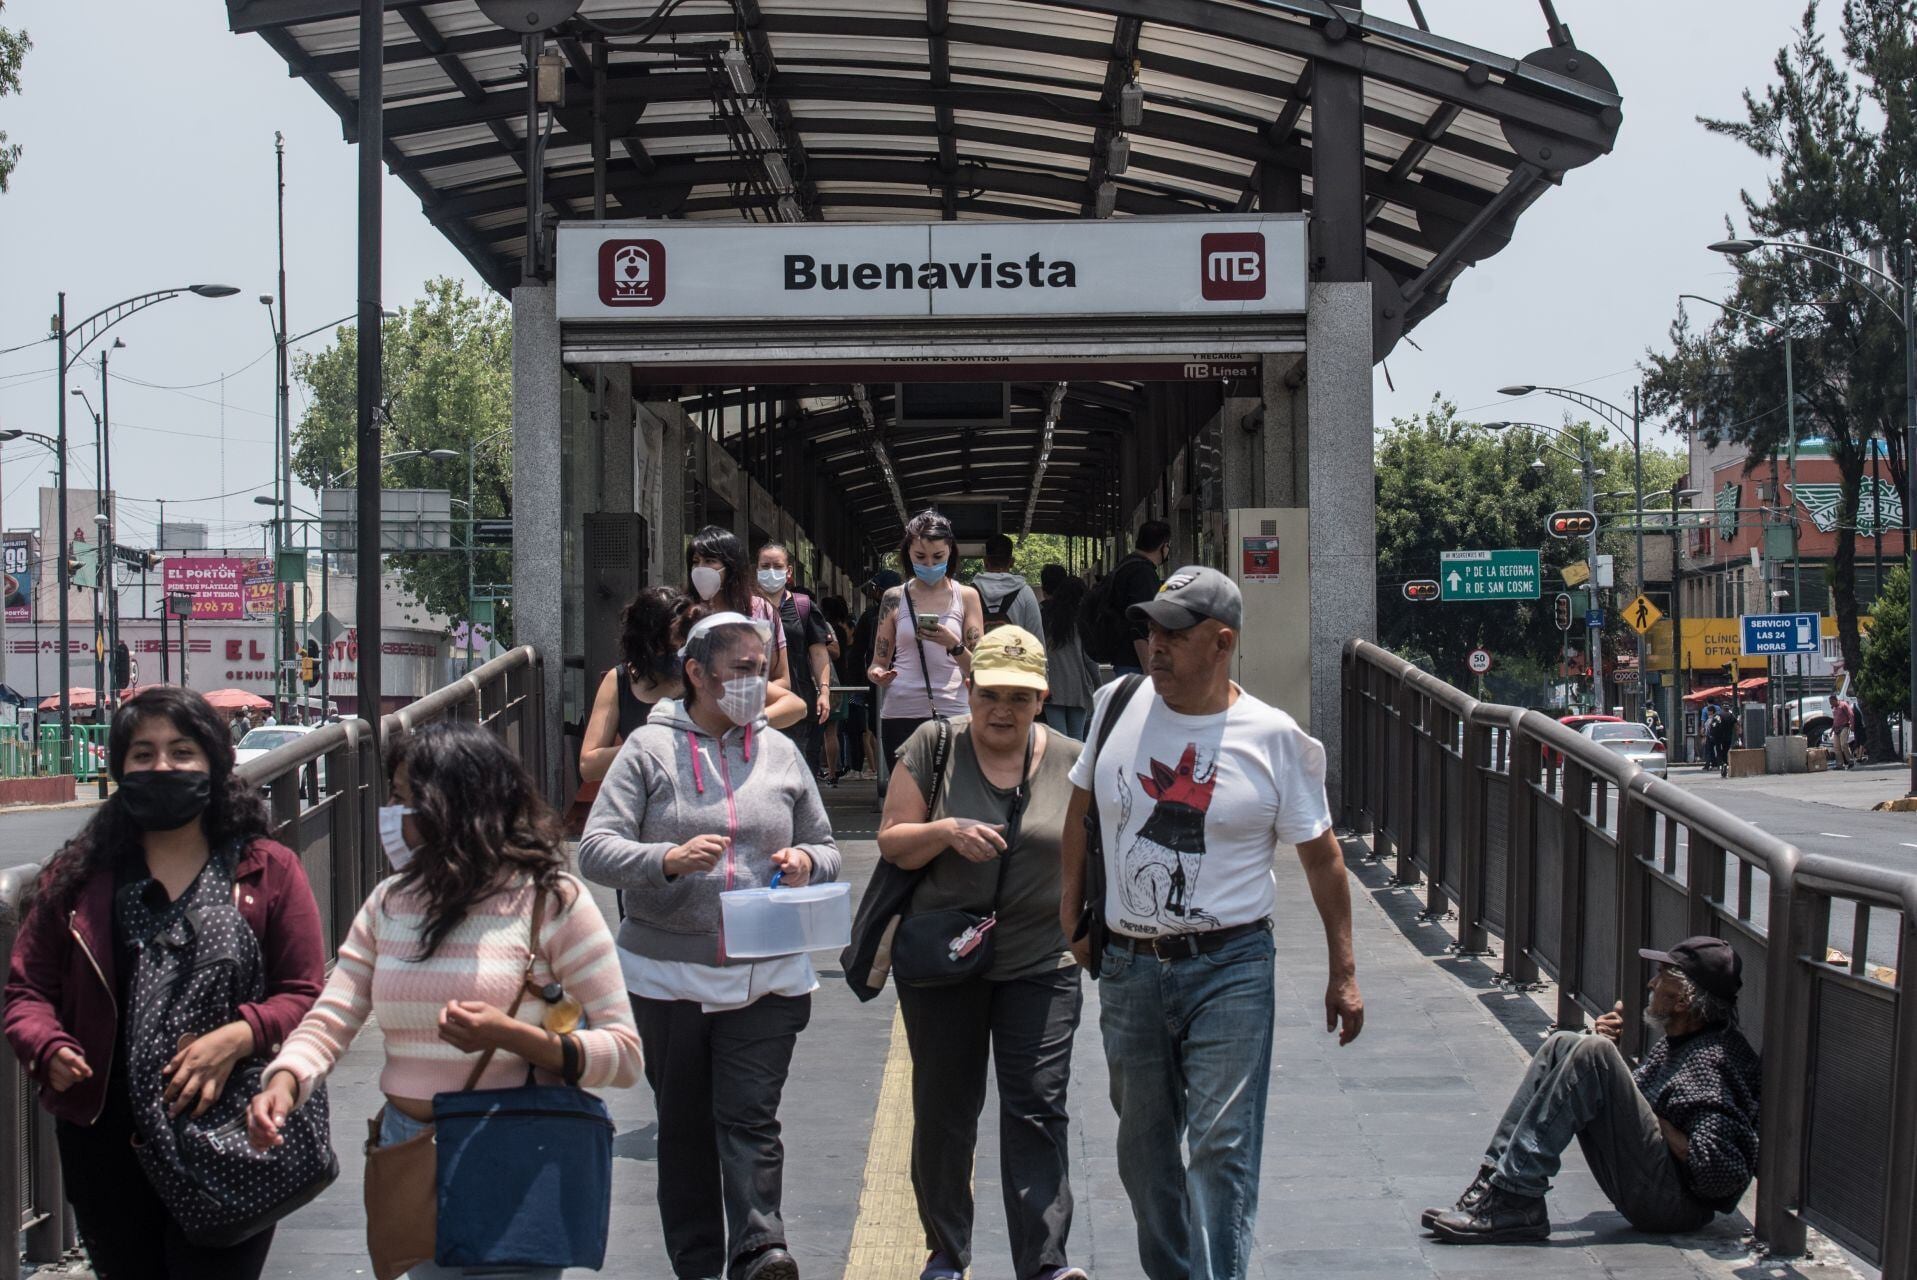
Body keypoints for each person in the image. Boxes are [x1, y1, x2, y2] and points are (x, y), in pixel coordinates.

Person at [247, 721, 643, 1280]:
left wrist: (512, 1037)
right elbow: (331, 1017)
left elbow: (624, 1056)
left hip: (511, 1148)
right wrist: (285, 1082)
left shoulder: (552, 903)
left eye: (408, 801)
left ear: (461, 806)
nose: (394, 816)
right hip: (408, 1151)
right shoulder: (391, 902)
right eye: (393, 798)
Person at [1059, 567, 1363, 1280]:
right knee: (1143, 1149)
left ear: (1221, 642)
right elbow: (1079, 814)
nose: (1153, 647)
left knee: (1223, 1145)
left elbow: (1322, 860)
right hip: (1129, 964)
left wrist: (1343, 972)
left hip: (1230, 965)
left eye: (1174, 634)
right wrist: (1070, 914)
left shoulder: (1273, 737)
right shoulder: (1114, 704)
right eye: (1150, 631)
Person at [4, 685, 327, 1280]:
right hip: (104, 1144)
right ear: (120, 768)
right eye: (144, 754)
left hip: (233, 1133)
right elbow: (27, 991)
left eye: (182, 752)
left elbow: (304, 992)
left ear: (214, 764)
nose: (163, 767)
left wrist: (239, 1036)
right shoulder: (78, 876)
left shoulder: (267, 869)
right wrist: (47, 1046)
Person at [579, 612, 841, 1280]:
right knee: (687, 1131)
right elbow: (596, 849)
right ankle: (696, 1264)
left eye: (761, 670)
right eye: (742, 671)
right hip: (668, 978)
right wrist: (665, 859)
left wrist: (807, 862)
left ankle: (759, 1249)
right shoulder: (646, 752)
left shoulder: (781, 753)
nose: (757, 684)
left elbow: (828, 847)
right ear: (696, 673)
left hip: (770, 973)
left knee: (750, 1116)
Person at [877, 627, 1089, 1280]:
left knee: (1036, 1106)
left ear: (1042, 698)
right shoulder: (932, 747)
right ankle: (946, 1249)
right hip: (944, 962)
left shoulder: (1075, 761)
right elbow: (891, 841)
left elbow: (1092, 856)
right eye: (991, 694)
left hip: (1040, 962)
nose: (1003, 710)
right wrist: (942, 833)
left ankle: (1045, 1263)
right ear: (967, 689)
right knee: (944, 1110)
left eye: (1019, 699)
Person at [1425, 936, 1761, 1244]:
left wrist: (1632, 1099)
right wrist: (1611, 1066)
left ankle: (1515, 1197)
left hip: (1674, 1205)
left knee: (1594, 1054)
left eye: (1662, 976)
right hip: (1657, 1188)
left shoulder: (1714, 1062)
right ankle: (1493, 1184)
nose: (1651, 983)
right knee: (1564, 1043)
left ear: (1684, 1000)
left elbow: (1722, 1171)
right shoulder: (1679, 1043)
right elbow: (1650, 1105)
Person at [868, 509, 984, 775]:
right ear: (908, 553)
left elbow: (980, 667)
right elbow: (878, 661)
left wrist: (953, 644)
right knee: (906, 802)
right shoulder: (894, 597)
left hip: (954, 711)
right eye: (920, 557)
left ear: (950, 552)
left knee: (953, 800)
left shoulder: (966, 596)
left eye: (938, 557)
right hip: (901, 711)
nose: (929, 565)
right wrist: (878, 675)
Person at [686, 524, 807, 731]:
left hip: (748, 731)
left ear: (731, 566)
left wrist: (742, 705)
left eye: (710, 561)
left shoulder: (761, 611)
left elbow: (782, 679)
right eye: (695, 562)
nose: (700, 569)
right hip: (694, 728)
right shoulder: (686, 614)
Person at [579, 586, 703, 785]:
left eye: (682, 639)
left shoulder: (701, 674)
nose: (676, 648)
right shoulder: (618, 680)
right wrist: (647, 743)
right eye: (663, 643)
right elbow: (588, 766)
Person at [756, 542, 835, 776]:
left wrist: (825, 692)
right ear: (756, 570)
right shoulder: (745, 606)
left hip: (797, 704)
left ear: (788, 571)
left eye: (777, 566)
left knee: (796, 773)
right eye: (765, 566)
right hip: (756, 702)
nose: (771, 571)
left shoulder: (803, 607)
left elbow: (819, 653)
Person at [1038, 564, 1098, 741]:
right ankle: (1076, 769)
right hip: (1078, 687)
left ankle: (1062, 769)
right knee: (1076, 738)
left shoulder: (1043, 617)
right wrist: (1099, 684)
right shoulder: (1079, 620)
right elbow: (1089, 658)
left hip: (1053, 687)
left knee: (1059, 738)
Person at [1105, 520, 1171, 676]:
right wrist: (1151, 673)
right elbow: (1140, 627)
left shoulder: (1125, 566)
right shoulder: (1143, 574)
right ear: (1162, 545)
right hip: (1136, 664)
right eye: (1168, 545)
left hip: (1123, 659)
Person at [852, 571, 898, 780]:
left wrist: (857, 681)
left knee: (879, 726)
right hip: (897, 681)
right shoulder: (913, 613)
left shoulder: (871, 615)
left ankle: (886, 774)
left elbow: (857, 651)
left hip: (877, 682)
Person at [819, 595, 862, 783]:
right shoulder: (844, 630)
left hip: (825, 681)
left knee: (822, 730)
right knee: (833, 731)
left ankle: (827, 771)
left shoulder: (823, 627)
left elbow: (835, 653)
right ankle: (833, 771)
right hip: (842, 683)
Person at [971, 533, 1043, 635]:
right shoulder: (1025, 593)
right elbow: (1037, 636)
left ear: (985, 561)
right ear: (1012, 562)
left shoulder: (970, 593)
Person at [1830, 694, 1855, 769]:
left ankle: (1850, 761)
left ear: (1835, 700)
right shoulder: (1834, 708)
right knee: (1836, 747)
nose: (1831, 704)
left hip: (1844, 726)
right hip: (1836, 729)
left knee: (1844, 744)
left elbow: (1850, 714)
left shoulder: (1843, 705)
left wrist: (1852, 725)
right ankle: (1840, 764)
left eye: (1832, 702)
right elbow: (1835, 719)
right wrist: (1832, 730)